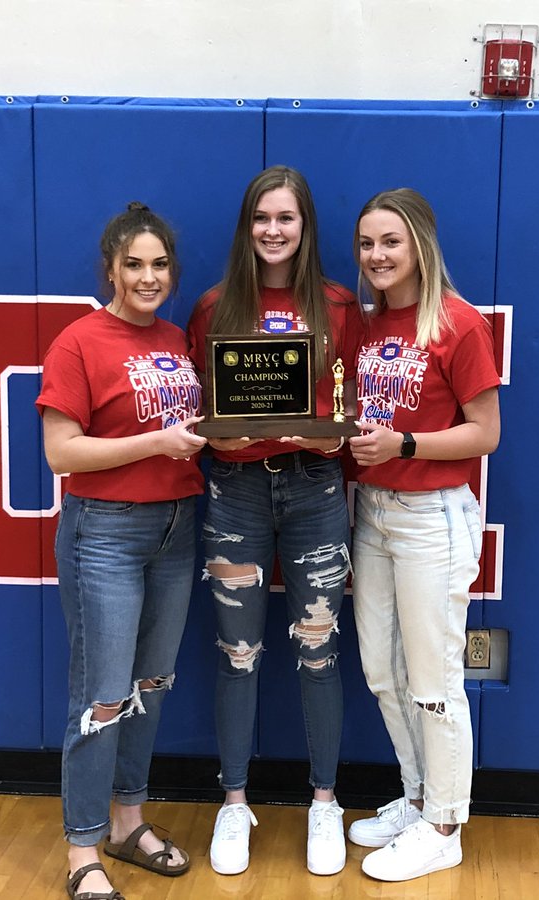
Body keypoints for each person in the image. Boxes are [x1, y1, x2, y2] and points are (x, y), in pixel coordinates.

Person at [185, 165, 362, 877]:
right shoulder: (215, 305)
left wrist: (337, 438)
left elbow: (356, 409)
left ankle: (325, 801)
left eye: (286, 218)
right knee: (237, 653)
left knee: (318, 647)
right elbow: (200, 404)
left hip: (316, 489)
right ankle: (234, 802)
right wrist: (213, 438)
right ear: (246, 225)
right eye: (262, 217)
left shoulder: (340, 306)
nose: (273, 230)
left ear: (306, 227)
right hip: (235, 491)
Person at [36, 203, 207, 900]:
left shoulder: (176, 337)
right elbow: (60, 451)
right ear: (109, 268)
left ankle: (127, 823)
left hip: (175, 527)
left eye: (159, 264)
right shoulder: (79, 342)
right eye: (133, 263)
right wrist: (156, 443)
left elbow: (195, 426)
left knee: (149, 687)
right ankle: (82, 851)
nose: (147, 276)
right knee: (101, 696)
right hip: (104, 531)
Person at [345, 188, 501, 882]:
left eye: (390, 242)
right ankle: (417, 796)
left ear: (420, 247)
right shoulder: (368, 326)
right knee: (383, 671)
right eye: (367, 244)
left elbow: (485, 432)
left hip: (431, 516)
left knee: (434, 679)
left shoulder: (457, 323)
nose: (377, 256)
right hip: (372, 512)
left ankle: (446, 824)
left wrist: (404, 443)